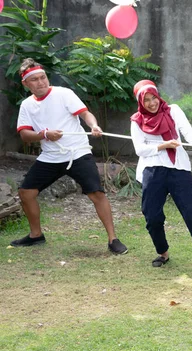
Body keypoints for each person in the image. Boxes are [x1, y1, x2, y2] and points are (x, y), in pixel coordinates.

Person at [11, 58, 128, 255]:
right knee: (26, 193)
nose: (41, 82)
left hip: (78, 153)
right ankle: (36, 235)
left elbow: (85, 114)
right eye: (35, 80)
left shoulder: (63, 94)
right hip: (50, 156)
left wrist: (94, 126)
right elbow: (24, 134)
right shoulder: (27, 105)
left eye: (43, 77)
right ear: (26, 84)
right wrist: (45, 134)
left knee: (96, 194)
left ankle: (113, 239)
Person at [130, 80, 192, 277]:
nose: (152, 103)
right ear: (140, 102)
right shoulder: (136, 120)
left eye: (154, 98)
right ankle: (163, 252)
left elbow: (189, 134)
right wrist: (163, 145)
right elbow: (140, 149)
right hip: (152, 171)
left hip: (178, 168)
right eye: (147, 100)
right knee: (152, 216)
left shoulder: (173, 110)